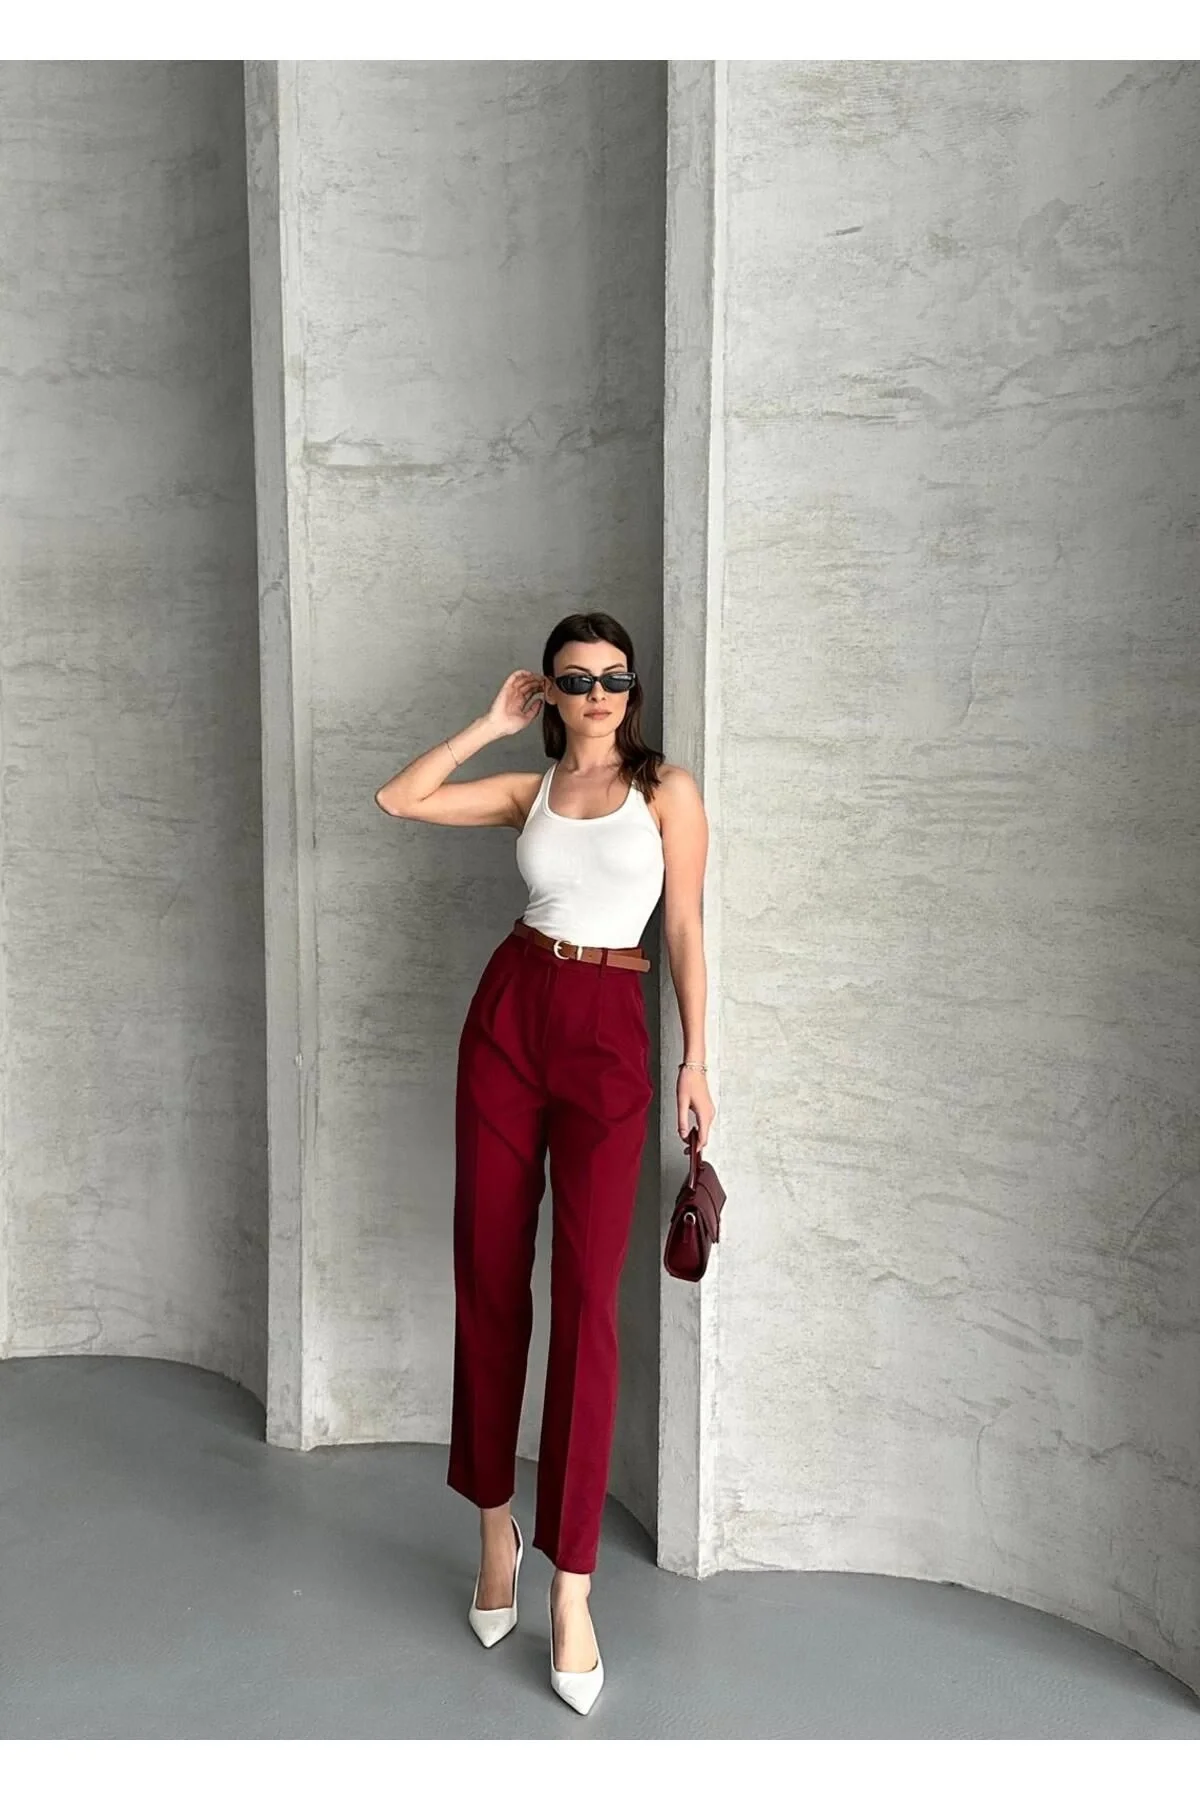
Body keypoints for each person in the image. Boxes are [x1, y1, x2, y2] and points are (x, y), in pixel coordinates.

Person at [374, 611, 714, 1713]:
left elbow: (684, 929)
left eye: (616, 677)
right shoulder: (530, 791)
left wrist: (696, 1060)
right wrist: (488, 723)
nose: (600, 693)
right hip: (511, 1014)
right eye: (577, 679)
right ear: (551, 692)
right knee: (486, 1272)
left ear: (634, 691)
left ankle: (572, 1586)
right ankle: (493, 1529)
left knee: (588, 1303)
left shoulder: (667, 793)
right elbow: (401, 799)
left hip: (611, 1027)